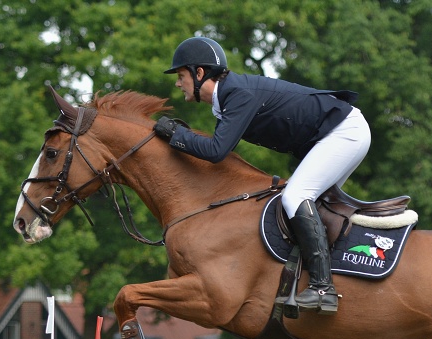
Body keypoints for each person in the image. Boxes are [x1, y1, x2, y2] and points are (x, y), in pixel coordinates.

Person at [154, 36, 372, 315]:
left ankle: (322, 288)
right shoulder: (227, 99)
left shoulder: (237, 95)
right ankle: (311, 282)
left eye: (181, 75)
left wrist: (176, 135)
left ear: (199, 73)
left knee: (295, 196)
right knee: (305, 206)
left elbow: (216, 151)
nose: (177, 82)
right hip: (337, 133)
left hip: (344, 132)